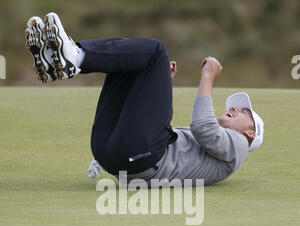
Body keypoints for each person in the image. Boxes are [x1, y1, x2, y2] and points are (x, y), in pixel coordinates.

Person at [25, 12, 264, 187]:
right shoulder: (216, 149)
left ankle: (76, 57)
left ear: (250, 133)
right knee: (132, 64)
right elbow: (157, 125)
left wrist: (208, 76)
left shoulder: (239, 147)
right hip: (113, 153)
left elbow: (203, 126)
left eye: (244, 111)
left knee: (156, 51)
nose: (234, 107)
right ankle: (58, 61)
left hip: (139, 159)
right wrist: (158, 82)